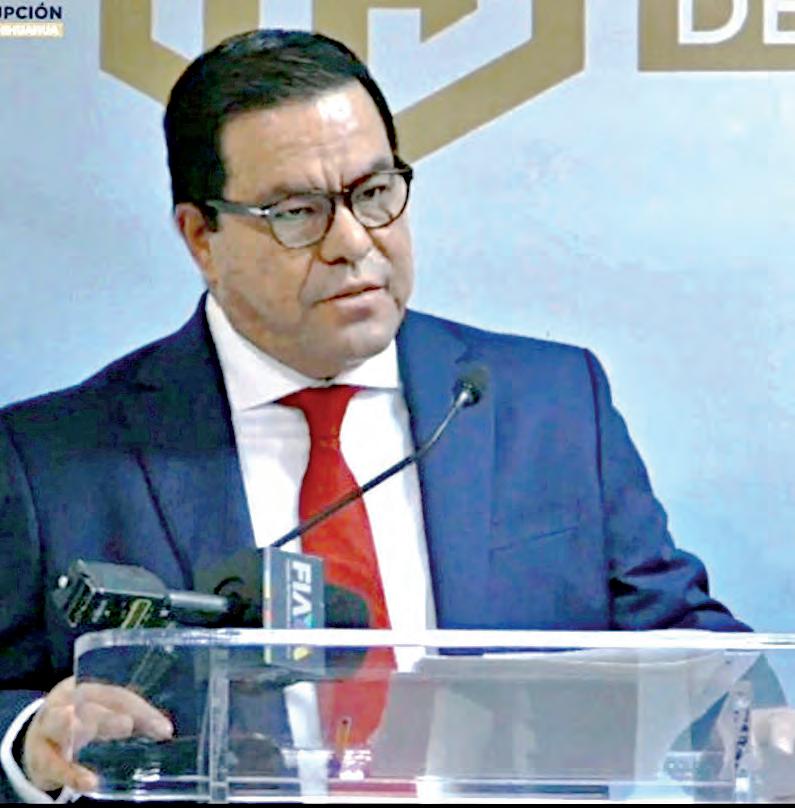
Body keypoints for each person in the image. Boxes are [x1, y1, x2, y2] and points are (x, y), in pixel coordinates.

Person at [0, 28, 791, 802]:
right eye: (296, 212)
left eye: (374, 194)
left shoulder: (550, 405)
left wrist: (759, 727)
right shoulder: (52, 461)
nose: (353, 242)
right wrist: (31, 741)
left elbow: (681, 641)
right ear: (201, 236)